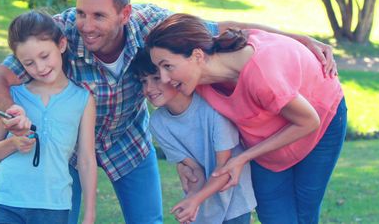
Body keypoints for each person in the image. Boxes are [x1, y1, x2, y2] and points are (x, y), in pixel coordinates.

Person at [0, 0, 337, 224]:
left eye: (99, 15)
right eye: (82, 12)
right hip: (67, 152)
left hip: (129, 143)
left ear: (125, 14)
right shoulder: (60, 33)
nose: (86, 24)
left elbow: (225, 28)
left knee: (148, 220)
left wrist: (299, 39)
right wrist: (17, 113)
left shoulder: (153, 25)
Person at [145, 13, 347, 224]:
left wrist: (242, 158)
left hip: (321, 121)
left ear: (197, 56)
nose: (165, 79)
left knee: (304, 212)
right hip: (268, 140)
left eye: (167, 66)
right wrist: (183, 162)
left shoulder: (261, 77)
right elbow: (234, 25)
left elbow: (309, 121)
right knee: (273, 215)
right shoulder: (201, 62)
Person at [0, 11, 97, 224]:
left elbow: (87, 160)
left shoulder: (83, 100)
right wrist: (13, 143)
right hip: (7, 204)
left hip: (54, 206)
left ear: (61, 45)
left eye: (44, 56)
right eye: (29, 63)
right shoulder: (13, 97)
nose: (40, 68)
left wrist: (89, 215)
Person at [130, 50, 256, 224]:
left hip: (235, 201)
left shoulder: (212, 108)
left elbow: (225, 169)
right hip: (204, 206)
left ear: (171, 76)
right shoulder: (157, 123)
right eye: (143, 82)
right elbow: (194, 170)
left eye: (156, 78)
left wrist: (195, 200)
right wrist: (190, 199)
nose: (148, 89)